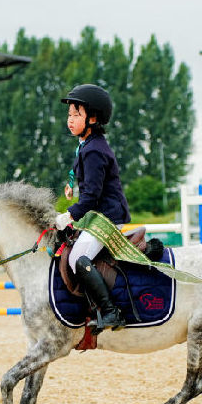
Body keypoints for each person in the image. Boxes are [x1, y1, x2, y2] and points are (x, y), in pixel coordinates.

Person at [54, 84, 131, 332]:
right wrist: (70, 185)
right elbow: (79, 175)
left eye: (77, 114)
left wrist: (69, 215)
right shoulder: (87, 145)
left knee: (78, 257)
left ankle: (111, 312)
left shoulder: (94, 151)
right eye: (69, 115)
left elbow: (91, 196)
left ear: (93, 118)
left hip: (109, 217)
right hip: (99, 215)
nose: (70, 120)